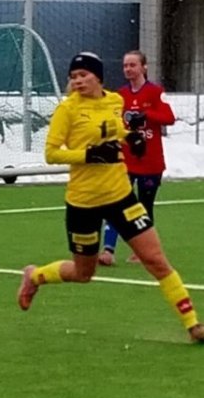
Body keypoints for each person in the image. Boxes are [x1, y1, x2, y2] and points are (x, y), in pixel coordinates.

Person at [17, 52, 203, 343]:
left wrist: (132, 137)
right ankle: (35, 276)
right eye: (74, 76)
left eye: (84, 75)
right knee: (83, 273)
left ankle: (193, 325)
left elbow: (116, 128)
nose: (78, 80)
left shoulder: (114, 100)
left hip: (121, 196)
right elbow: (52, 153)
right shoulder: (67, 111)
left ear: (98, 77)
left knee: (155, 260)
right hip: (83, 202)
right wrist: (88, 155)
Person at [99, 50, 175, 266]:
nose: (128, 69)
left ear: (144, 67)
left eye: (132, 65)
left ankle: (142, 251)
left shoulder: (155, 92)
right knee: (115, 203)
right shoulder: (119, 95)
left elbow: (169, 118)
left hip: (151, 162)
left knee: (144, 205)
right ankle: (108, 250)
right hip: (126, 160)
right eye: (125, 66)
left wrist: (147, 115)